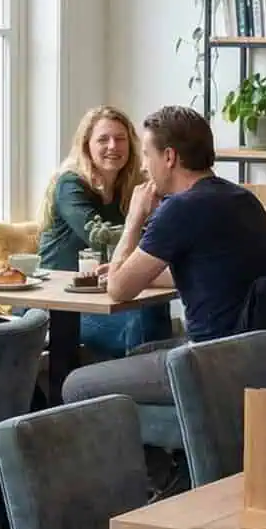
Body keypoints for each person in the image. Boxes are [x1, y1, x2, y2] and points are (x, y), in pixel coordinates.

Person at [60, 105, 266, 405]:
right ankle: (158, 452)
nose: (144, 167)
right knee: (140, 353)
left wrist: (134, 220)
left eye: (148, 156)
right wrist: (134, 269)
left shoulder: (180, 208)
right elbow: (207, 272)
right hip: (256, 357)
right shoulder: (244, 199)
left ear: (169, 157)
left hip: (209, 362)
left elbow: (118, 289)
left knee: (76, 384)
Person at [36, 105, 172, 357]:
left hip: (101, 297)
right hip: (57, 303)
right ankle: (139, 385)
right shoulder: (70, 184)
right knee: (138, 322)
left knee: (154, 307)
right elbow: (100, 237)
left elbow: (155, 230)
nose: (113, 146)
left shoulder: (131, 186)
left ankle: (152, 386)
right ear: (86, 145)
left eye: (120, 139)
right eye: (103, 139)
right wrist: (149, 236)